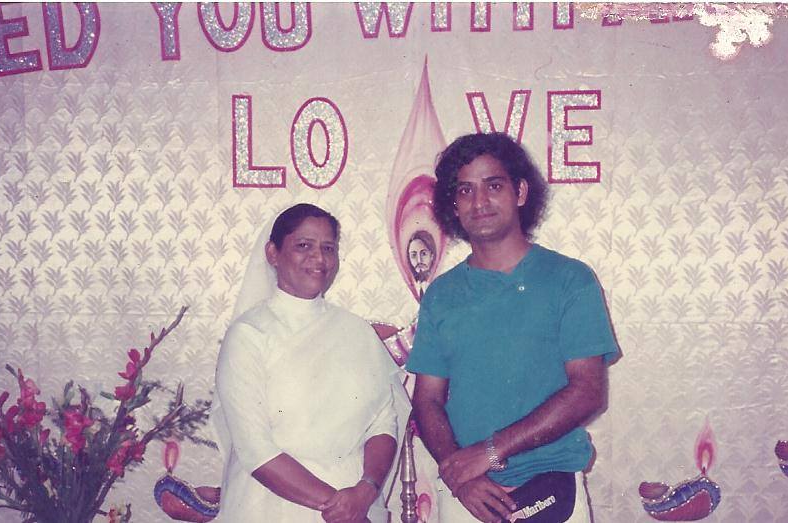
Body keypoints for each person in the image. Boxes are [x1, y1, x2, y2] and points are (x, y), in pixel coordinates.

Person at [405, 133, 618, 523]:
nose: (480, 202)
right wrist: (460, 474)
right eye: (465, 190)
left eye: (494, 185)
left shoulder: (570, 280)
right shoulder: (442, 294)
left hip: (553, 489)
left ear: (520, 192)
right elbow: (427, 399)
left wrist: (488, 452)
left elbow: (588, 392)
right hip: (469, 496)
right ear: (453, 205)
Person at [214, 203, 409, 522]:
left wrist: (365, 492)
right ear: (273, 253)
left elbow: (383, 422)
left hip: (355, 501)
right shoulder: (249, 335)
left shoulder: (356, 330)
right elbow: (255, 449)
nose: (319, 259)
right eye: (304, 246)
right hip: (272, 507)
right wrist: (340, 506)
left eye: (328, 248)